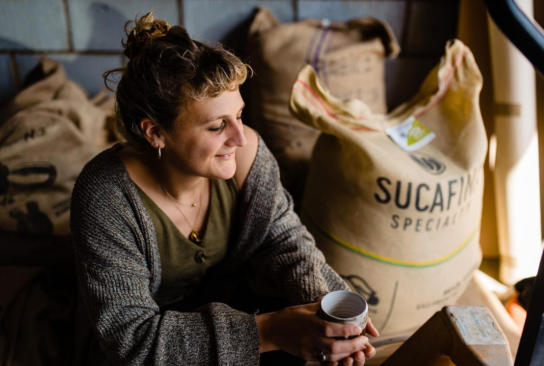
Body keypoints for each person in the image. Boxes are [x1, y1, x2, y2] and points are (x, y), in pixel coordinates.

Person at [70, 12, 378, 366]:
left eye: (240, 116)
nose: (239, 137)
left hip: (238, 316)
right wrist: (273, 331)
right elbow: (131, 341)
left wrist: (326, 310)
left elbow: (285, 243)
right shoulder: (106, 198)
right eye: (217, 126)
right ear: (154, 132)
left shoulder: (249, 157)